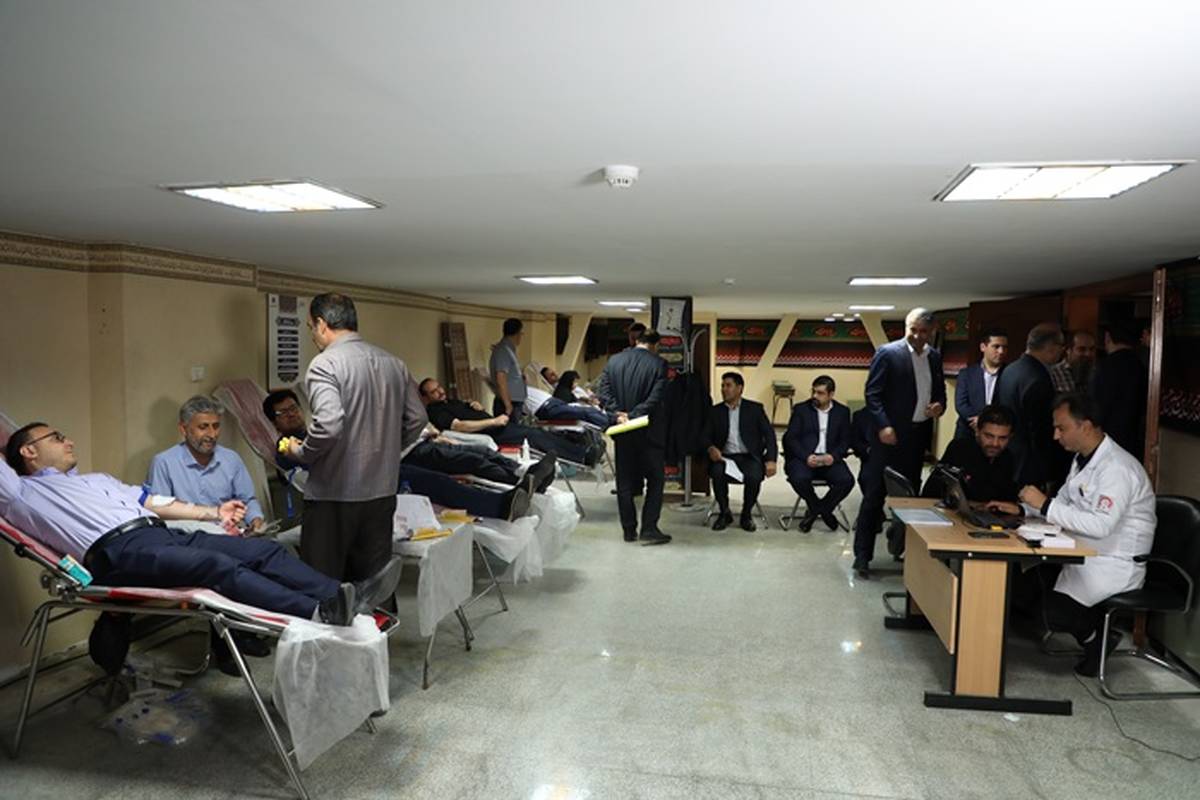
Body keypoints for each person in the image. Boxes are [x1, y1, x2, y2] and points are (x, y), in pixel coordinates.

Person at [1, 422, 401, 628]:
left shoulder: (96, 480)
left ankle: (345, 597)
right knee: (216, 567)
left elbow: (153, 502)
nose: (68, 440)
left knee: (264, 549)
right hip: (117, 555)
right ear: (29, 451)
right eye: (57, 437)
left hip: (159, 535)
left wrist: (214, 513)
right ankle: (318, 613)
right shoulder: (21, 494)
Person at [279, 293, 427, 582]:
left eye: (310, 327)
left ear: (322, 324)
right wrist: (389, 448)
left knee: (324, 584)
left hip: (335, 495)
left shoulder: (325, 364)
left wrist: (301, 452)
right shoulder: (394, 363)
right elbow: (418, 418)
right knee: (373, 583)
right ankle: (374, 615)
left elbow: (329, 425)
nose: (312, 335)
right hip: (382, 491)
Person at [1017, 393, 1156, 677]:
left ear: (1087, 426)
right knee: (1020, 587)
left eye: (1062, 428)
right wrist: (1023, 509)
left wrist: (1044, 505)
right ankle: (1093, 632)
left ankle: (1096, 639)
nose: (1056, 436)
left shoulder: (1117, 468)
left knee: (1048, 612)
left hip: (1112, 563)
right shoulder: (1082, 460)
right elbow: (1063, 504)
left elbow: (1100, 525)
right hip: (1082, 553)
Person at [267, 391, 549, 520]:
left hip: (378, 471)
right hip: (360, 489)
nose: (291, 414)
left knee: (447, 476)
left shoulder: (317, 431)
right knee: (441, 483)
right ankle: (501, 505)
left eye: (293, 408)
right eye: (283, 413)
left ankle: (509, 493)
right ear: (274, 422)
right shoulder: (285, 447)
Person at [851, 308, 946, 578]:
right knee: (874, 496)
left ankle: (900, 546)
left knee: (909, 497)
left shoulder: (934, 357)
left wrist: (939, 406)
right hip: (887, 438)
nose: (917, 336)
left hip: (916, 437)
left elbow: (939, 392)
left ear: (932, 332)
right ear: (906, 327)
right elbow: (873, 394)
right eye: (912, 330)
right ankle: (862, 556)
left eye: (923, 331)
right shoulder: (888, 353)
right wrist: (883, 425)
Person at [147, 396, 266, 532]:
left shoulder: (231, 459)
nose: (212, 434)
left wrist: (255, 520)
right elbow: (160, 512)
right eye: (203, 427)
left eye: (216, 426)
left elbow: (247, 500)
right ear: (184, 429)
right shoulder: (164, 463)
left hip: (228, 535)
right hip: (186, 538)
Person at [596, 328, 671, 545]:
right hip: (649, 432)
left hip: (622, 432)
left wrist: (619, 414)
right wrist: (635, 415)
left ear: (637, 341)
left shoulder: (614, 361)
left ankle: (628, 530)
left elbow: (604, 392)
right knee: (655, 481)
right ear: (655, 345)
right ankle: (649, 528)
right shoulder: (659, 364)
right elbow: (655, 397)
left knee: (625, 482)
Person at [419, 378, 601, 465]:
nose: (440, 391)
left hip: (498, 426)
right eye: (434, 391)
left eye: (439, 387)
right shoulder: (435, 411)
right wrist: (492, 421)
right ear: (425, 397)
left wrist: (474, 406)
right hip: (490, 433)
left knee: (536, 433)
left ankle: (582, 452)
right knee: (534, 435)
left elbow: (466, 413)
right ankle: (582, 456)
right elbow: (460, 426)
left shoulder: (449, 402)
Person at [992, 323, 1065, 488]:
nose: (1062, 352)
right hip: (1029, 462)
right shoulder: (1038, 378)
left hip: (1006, 453)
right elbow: (1041, 429)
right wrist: (1048, 470)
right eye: (1061, 347)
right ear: (1051, 347)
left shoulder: (1009, 370)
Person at [706, 372, 778, 532]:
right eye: (722, 386)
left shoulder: (755, 409)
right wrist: (710, 447)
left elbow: (769, 435)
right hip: (725, 457)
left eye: (728, 385)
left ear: (739, 388)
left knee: (754, 476)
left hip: (749, 457)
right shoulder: (715, 411)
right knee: (716, 472)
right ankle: (724, 512)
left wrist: (771, 459)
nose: (724, 389)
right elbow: (704, 436)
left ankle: (746, 514)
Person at [782, 375, 853, 532]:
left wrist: (833, 457)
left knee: (846, 481)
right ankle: (822, 510)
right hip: (805, 458)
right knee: (798, 478)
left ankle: (817, 510)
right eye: (813, 392)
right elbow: (791, 438)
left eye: (820, 393)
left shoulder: (842, 412)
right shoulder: (801, 409)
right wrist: (806, 456)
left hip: (829, 459)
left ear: (831, 394)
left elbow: (845, 441)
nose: (815, 396)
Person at [936, 405, 1020, 511]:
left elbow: (1008, 499)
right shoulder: (959, 449)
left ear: (1011, 437)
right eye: (989, 436)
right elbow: (933, 491)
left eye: (1002, 438)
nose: (995, 444)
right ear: (977, 431)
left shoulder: (1008, 458)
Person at [1091, 322, 1148, 461]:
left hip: (1105, 442)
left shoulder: (1104, 367)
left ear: (1108, 338)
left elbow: (1094, 407)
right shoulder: (1142, 366)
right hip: (1134, 442)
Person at [954, 328, 1008, 440]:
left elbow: (1008, 405)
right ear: (983, 347)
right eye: (996, 346)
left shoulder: (1009, 374)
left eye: (1004, 347)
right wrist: (978, 420)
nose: (1001, 351)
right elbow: (961, 404)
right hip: (968, 432)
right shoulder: (967, 374)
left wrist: (986, 422)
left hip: (996, 435)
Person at [523, 384, 611, 428]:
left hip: (553, 402)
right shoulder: (518, 392)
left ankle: (611, 418)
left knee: (587, 409)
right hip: (548, 408)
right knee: (583, 412)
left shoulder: (525, 388)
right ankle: (608, 424)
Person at [489, 317, 527, 417]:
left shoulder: (508, 350)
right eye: (521, 333)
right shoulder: (503, 350)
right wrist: (508, 404)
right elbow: (501, 377)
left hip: (513, 400)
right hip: (508, 402)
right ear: (517, 333)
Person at [1049, 330, 1097, 394]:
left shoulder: (1098, 373)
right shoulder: (1053, 374)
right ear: (1068, 350)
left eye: (1092, 349)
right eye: (1082, 349)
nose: (1088, 354)